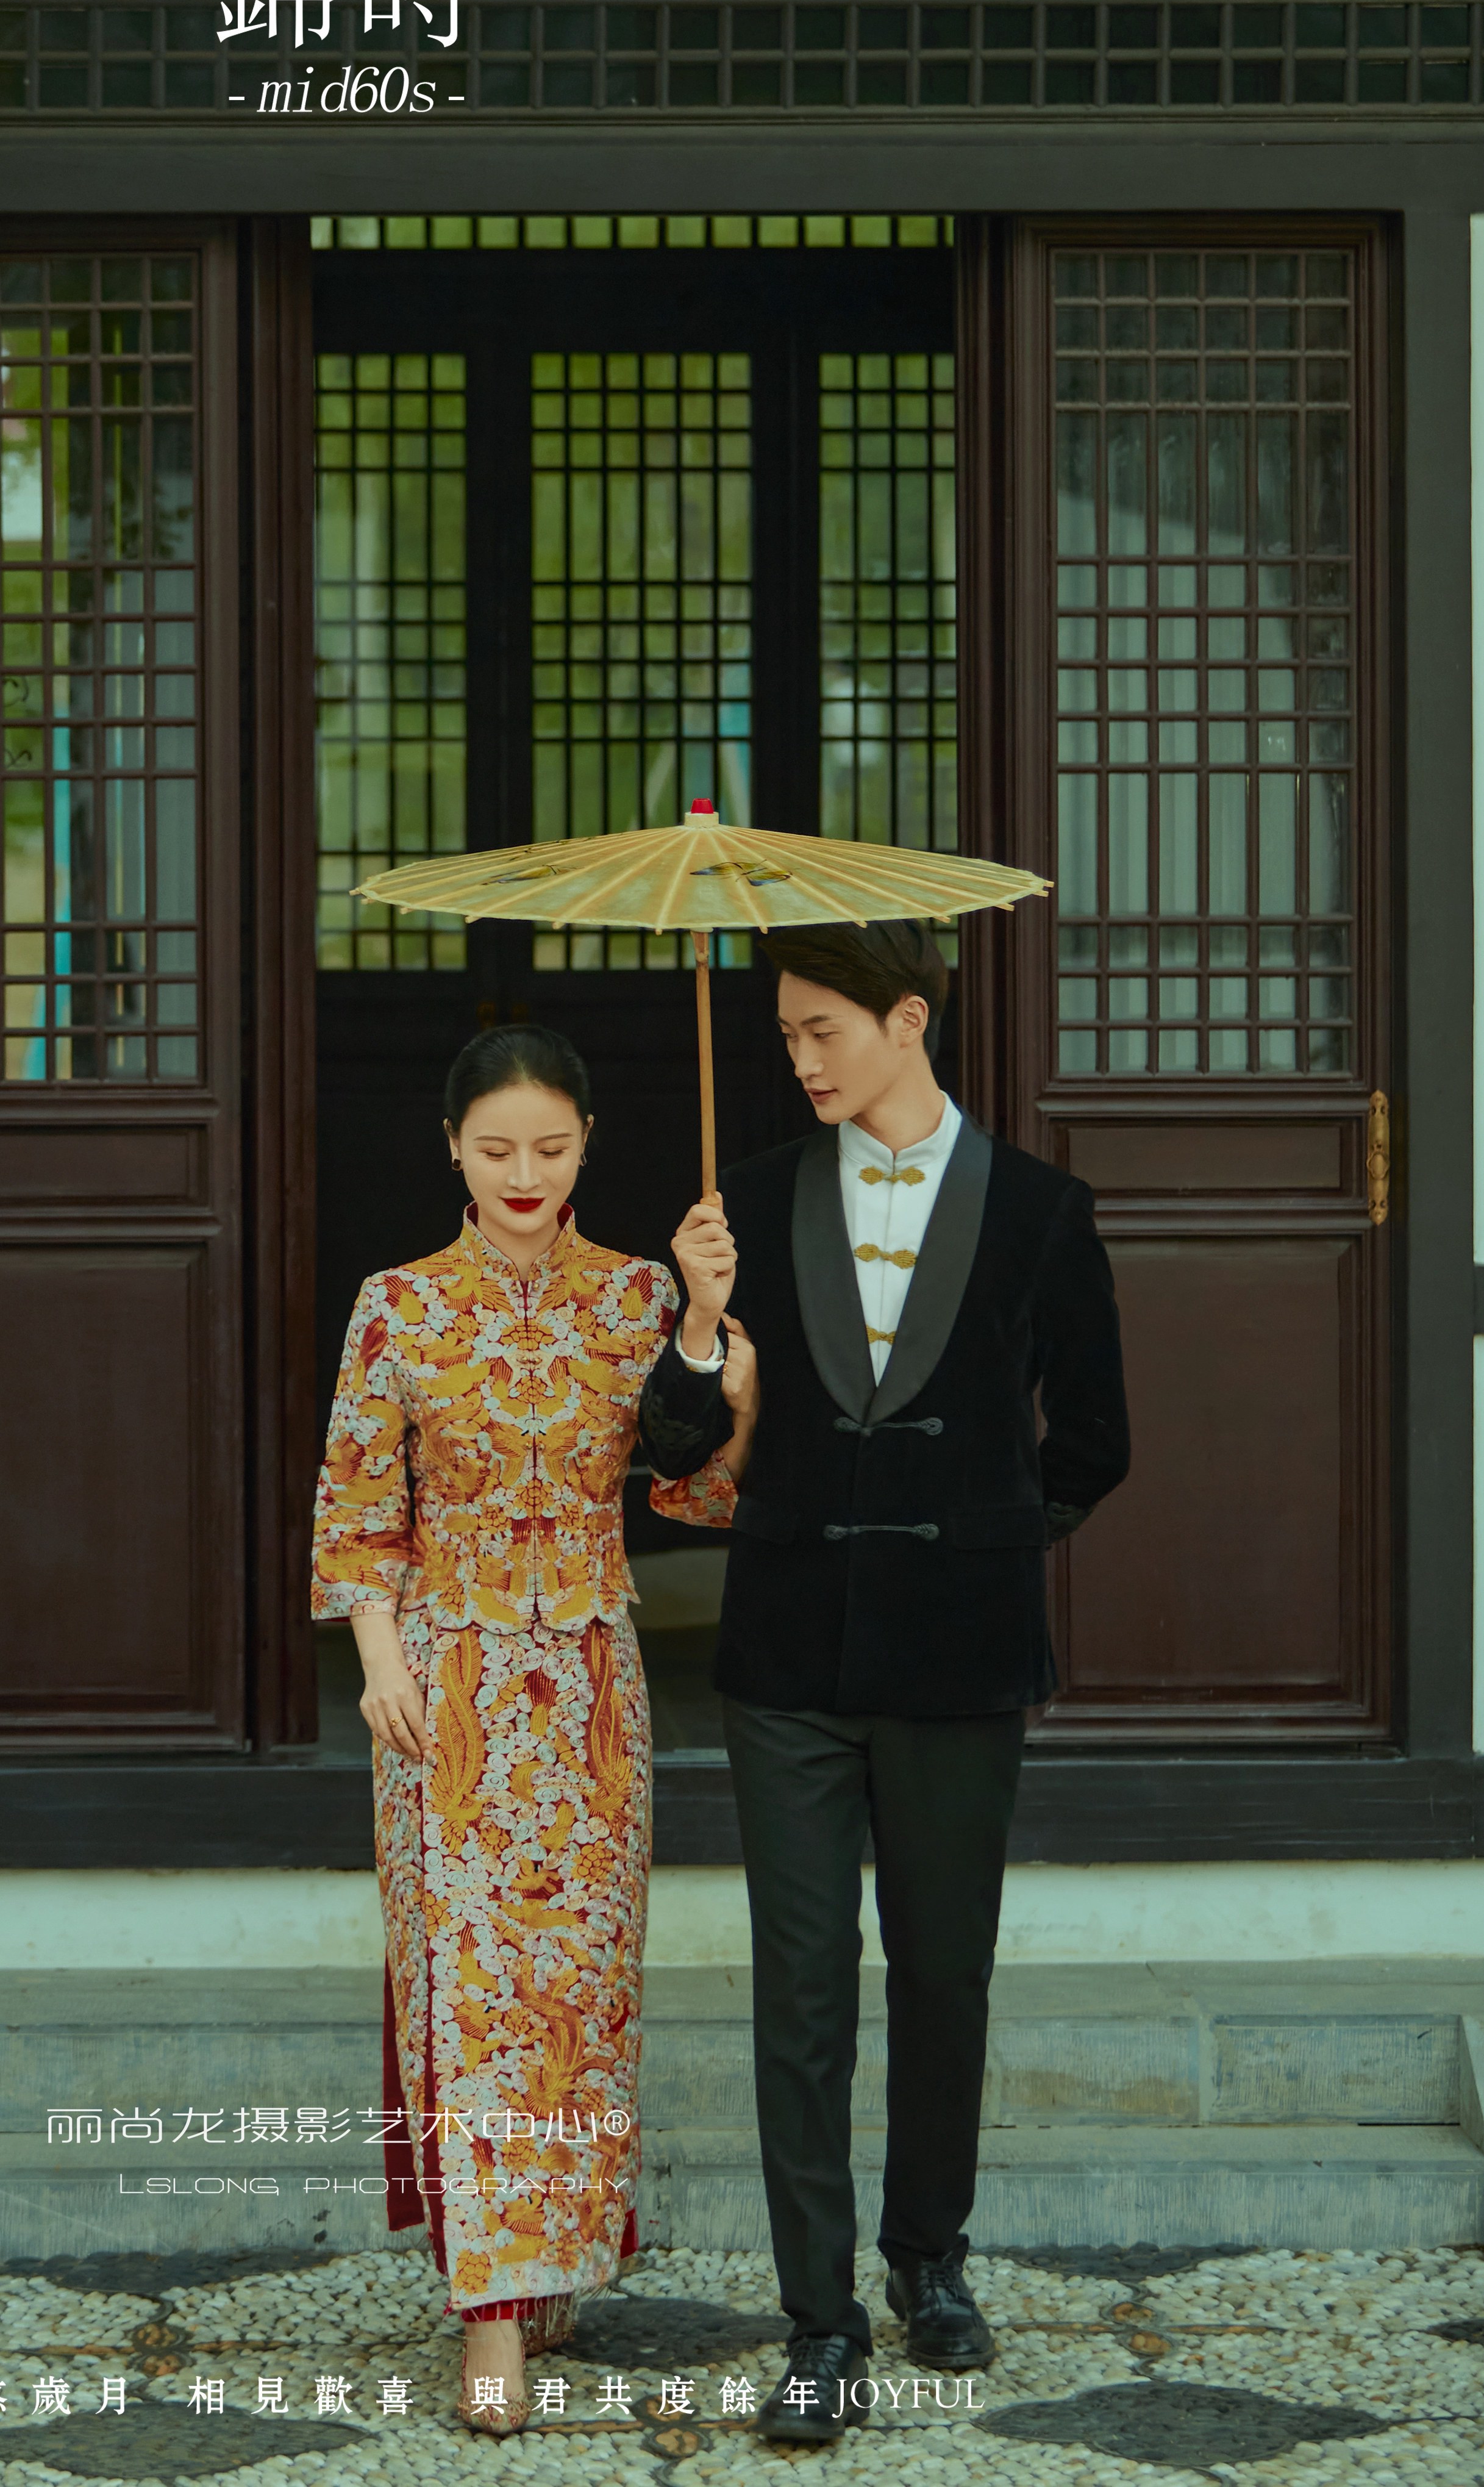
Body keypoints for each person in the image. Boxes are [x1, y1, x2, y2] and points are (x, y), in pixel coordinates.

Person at [638, 920, 1129, 2450]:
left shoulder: (1041, 1207)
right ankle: (817, 2320)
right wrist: (697, 1317)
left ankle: (928, 2255)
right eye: (783, 1032)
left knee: (940, 1970)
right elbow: (668, 1448)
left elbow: (1093, 1436)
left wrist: (983, 1537)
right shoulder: (745, 1202)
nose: (797, 1057)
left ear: (906, 1019)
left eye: (821, 1029)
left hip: (958, 1654)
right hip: (786, 1652)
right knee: (797, 1989)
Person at [312, 1022, 756, 2436]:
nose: (523, 1171)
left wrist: (714, 1345)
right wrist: (376, 1658)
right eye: (496, 1146)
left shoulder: (637, 1294)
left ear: (584, 1147)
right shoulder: (396, 1305)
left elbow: (696, 1494)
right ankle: (489, 2313)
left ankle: (549, 2260)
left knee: (576, 1997)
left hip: (588, 1690)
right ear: (451, 1145)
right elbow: (355, 1509)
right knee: (470, 1992)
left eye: (550, 1147)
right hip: (442, 1687)